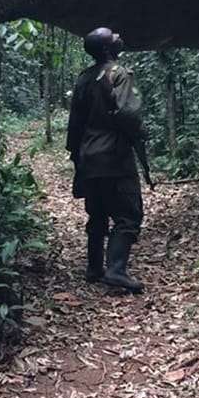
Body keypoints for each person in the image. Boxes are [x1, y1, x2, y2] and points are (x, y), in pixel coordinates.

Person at [66, 27, 149, 294]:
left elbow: (74, 125)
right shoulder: (119, 74)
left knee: (98, 212)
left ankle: (94, 268)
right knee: (128, 215)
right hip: (114, 157)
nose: (118, 36)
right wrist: (140, 132)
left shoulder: (84, 78)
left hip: (89, 156)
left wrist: (77, 158)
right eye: (113, 35)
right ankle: (116, 270)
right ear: (106, 48)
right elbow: (127, 115)